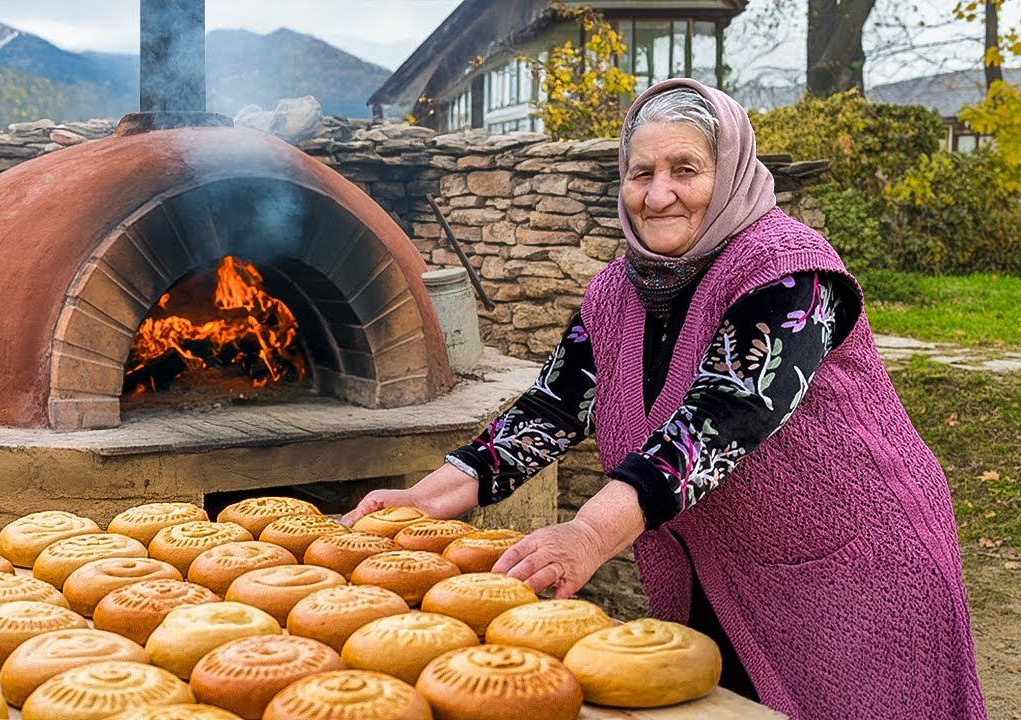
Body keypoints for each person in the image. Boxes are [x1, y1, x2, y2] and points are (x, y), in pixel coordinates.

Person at [343, 78, 986, 720]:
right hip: (715, 563)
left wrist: (590, 534)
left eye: (686, 169)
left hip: (850, 571)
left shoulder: (792, 271)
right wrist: (422, 500)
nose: (658, 195)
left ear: (730, 169)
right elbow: (553, 409)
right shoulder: (617, 291)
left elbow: (724, 416)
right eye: (640, 172)